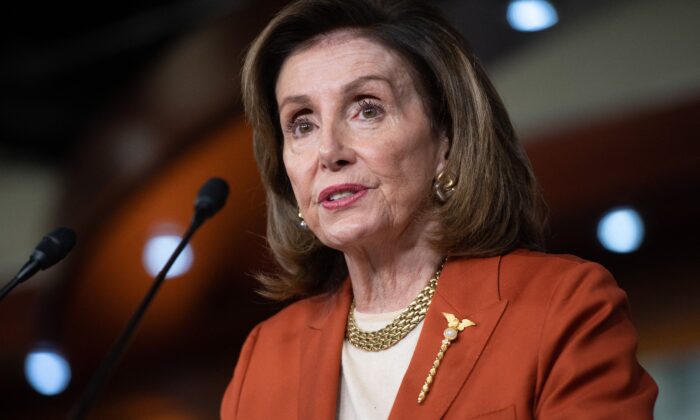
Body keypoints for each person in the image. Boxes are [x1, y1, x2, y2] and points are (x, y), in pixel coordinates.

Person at [221, 0, 658, 418]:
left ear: (445, 140)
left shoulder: (562, 305)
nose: (329, 151)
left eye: (367, 110)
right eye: (302, 124)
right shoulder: (264, 357)